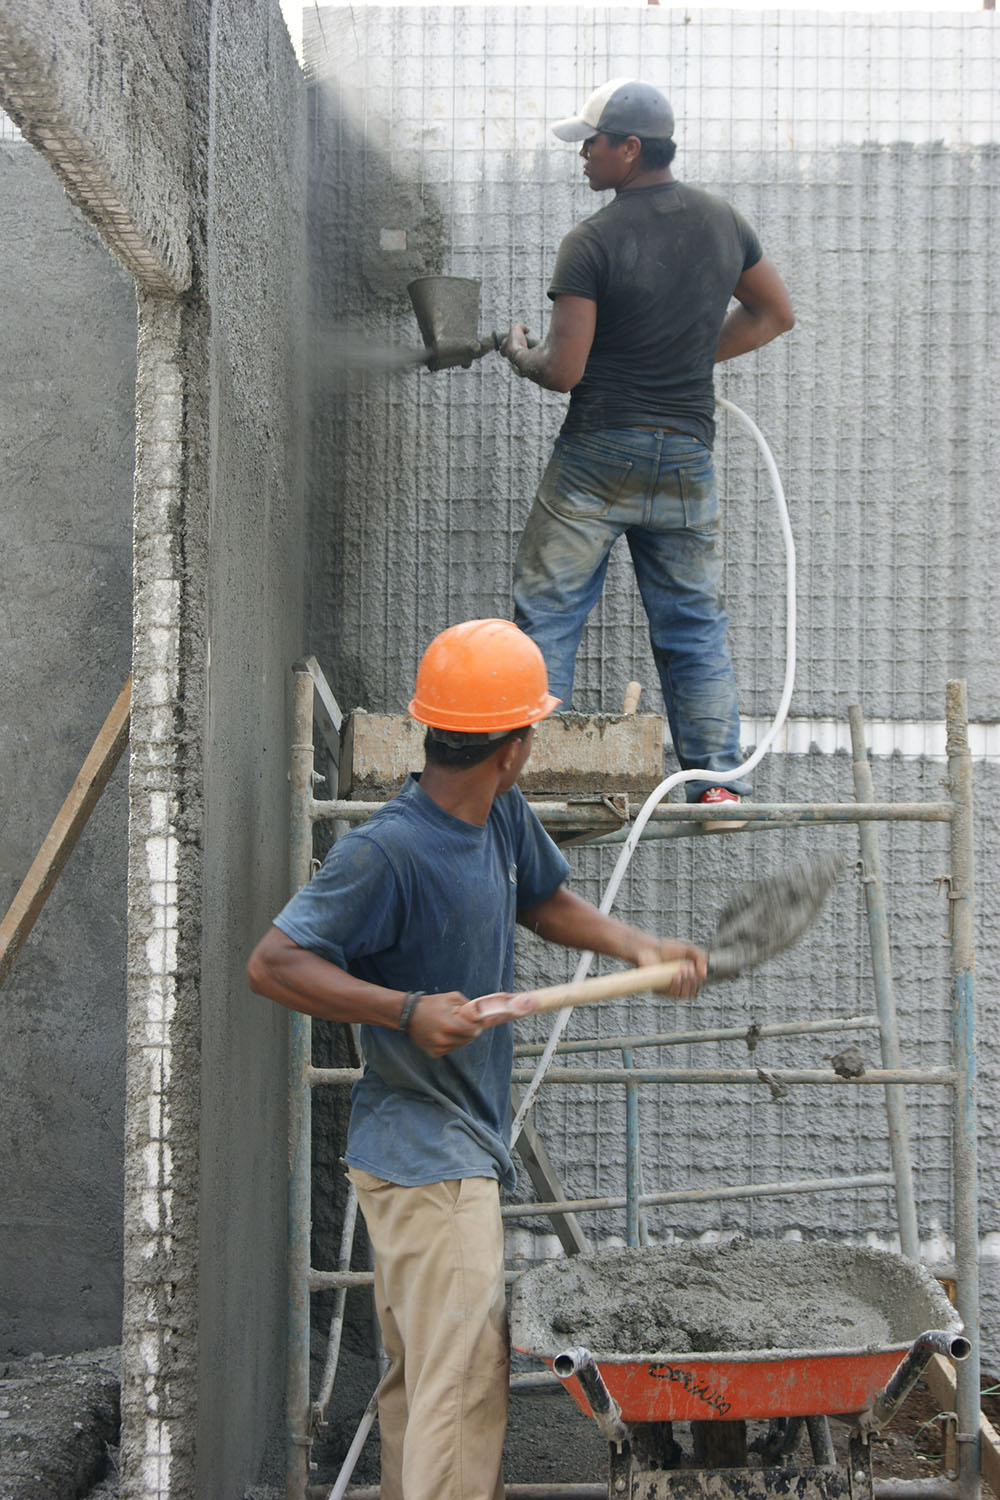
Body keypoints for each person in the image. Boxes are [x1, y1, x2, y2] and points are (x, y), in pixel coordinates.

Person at [247, 618, 707, 1500]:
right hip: (431, 1168)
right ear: (516, 744)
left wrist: (638, 946)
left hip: (425, 1157)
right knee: (459, 1400)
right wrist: (406, 1010)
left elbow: (546, 899)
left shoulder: (497, 816)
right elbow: (274, 962)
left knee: (424, 1388)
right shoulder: (388, 850)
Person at [501, 78, 794, 821]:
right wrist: (689, 364)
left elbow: (564, 371)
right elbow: (774, 314)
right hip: (686, 459)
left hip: (599, 453)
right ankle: (719, 781)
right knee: (693, 622)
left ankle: (525, 769)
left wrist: (520, 354)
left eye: (592, 143)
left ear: (630, 148)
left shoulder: (593, 241)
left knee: (551, 610)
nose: (584, 156)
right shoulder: (725, 223)